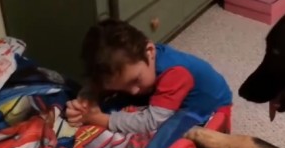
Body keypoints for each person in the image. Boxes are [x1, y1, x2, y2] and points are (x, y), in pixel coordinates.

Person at [65, 18, 232, 136]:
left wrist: (100, 119)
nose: (133, 91)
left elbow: (151, 122)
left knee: (168, 139)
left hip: (211, 108)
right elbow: (96, 85)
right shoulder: (137, 64)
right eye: (121, 87)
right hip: (168, 95)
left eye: (135, 80)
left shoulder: (175, 74)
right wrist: (84, 102)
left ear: (150, 51)